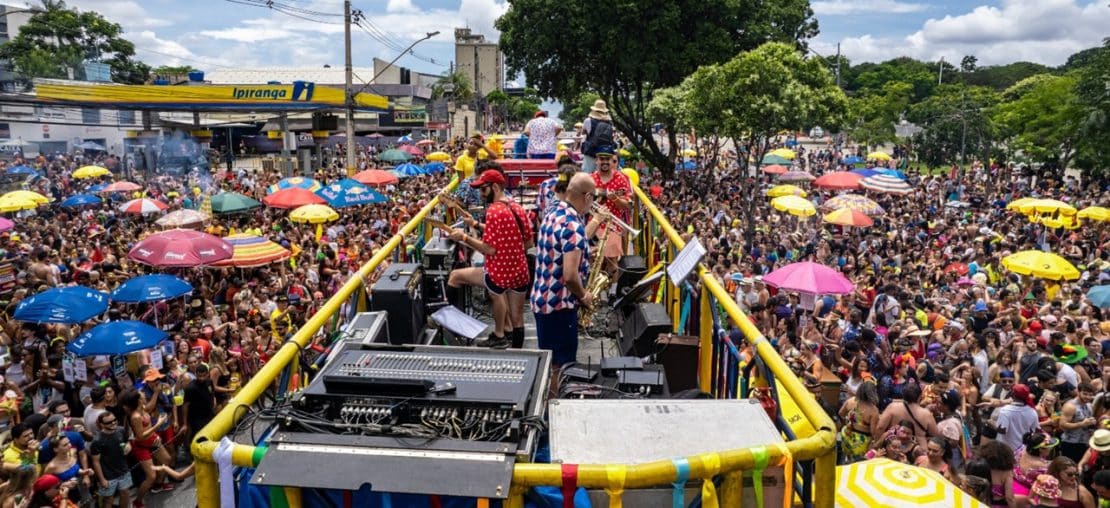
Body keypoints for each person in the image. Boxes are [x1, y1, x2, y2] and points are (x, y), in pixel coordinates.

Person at [447, 169, 533, 349]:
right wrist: (476, 225)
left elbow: (489, 249)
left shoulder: (493, 211)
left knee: (457, 277)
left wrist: (464, 237)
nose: (480, 194)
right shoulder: (516, 207)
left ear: (495, 187)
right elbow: (528, 242)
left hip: (499, 272)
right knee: (518, 320)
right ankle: (519, 355)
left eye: (483, 189)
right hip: (519, 270)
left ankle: (496, 334)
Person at [531, 173, 600, 389]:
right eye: (594, 198)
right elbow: (570, 276)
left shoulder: (553, 212)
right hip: (559, 306)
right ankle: (554, 411)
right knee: (561, 366)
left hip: (542, 299)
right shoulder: (574, 227)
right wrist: (585, 296)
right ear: (587, 196)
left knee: (551, 362)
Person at [590, 145, 632, 282]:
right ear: (596, 160)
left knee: (612, 262)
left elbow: (627, 205)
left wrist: (615, 198)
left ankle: (612, 293)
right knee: (593, 260)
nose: (604, 162)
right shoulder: (590, 179)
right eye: (601, 159)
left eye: (607, 159)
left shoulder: (620, 179)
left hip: (612, 225)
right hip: (594, 225)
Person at [121, 388, 168, 506]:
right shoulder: (135, 416)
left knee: (166, 460)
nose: (144, 395)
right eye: (141, 395)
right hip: (140, 446)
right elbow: (140, 436)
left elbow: (149, 425)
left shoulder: (143, 408)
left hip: (152, 440)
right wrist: (158, 424)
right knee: (151, 476)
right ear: (137, 400)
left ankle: (158, 484)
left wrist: (155, 435)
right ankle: (138, 501)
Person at [90, 411, 132, 508]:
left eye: (114, 420)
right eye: (109, 422)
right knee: (109, 499)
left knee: (125, 494)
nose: (113, 423)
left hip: (123, 470)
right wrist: (102, 479)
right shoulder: (97, 441)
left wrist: (129, 446)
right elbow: (95, 462)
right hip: (108, 476)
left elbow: (127, 441)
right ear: (101, 424)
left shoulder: (121, 430)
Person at [997, 384, 1043, 453]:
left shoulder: (1005, 410)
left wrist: (991, 423)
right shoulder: (1032, 411)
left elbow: (1002, 430)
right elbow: (1037, 430)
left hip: (1006, 449)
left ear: (1013, 394)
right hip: (1022, 450)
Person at [1060, 383, 1099, 463]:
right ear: (1078, 392)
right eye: (1085, 394)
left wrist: (1092, 424)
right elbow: (1062, 425)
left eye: (1090, 395)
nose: (1087, 397)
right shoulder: (1070, 406)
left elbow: (1088, 423)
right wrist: (1081, 424)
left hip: (1085, 442)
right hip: (1071, 443)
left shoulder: (1089, 405)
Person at [578, 100, 613, 172]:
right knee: (602, 173)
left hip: (591, 150)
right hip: (605, 151)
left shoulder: (588, 120)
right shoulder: (609, 122)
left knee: (587, 172)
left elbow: (583, 132)